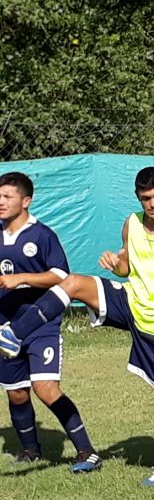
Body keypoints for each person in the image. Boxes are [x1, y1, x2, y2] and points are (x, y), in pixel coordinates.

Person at [0, 167, 154, 486]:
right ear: (138, 197)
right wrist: (116, 265)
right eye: (145, 198)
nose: (152, 204)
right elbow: (126, 268)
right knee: (74, 283)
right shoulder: (132, 223)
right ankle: (14, 333)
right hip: (129, 301)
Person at [0, 172, 99, 470]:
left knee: (45, 388)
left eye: (7, 197)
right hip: (6, 326)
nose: (1, 202)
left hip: (40, 325)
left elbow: (61, 276)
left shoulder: (42, 235)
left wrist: (20, 279)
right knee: (17, 392)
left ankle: (87, 452)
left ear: (26, 201)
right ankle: (30, 450)